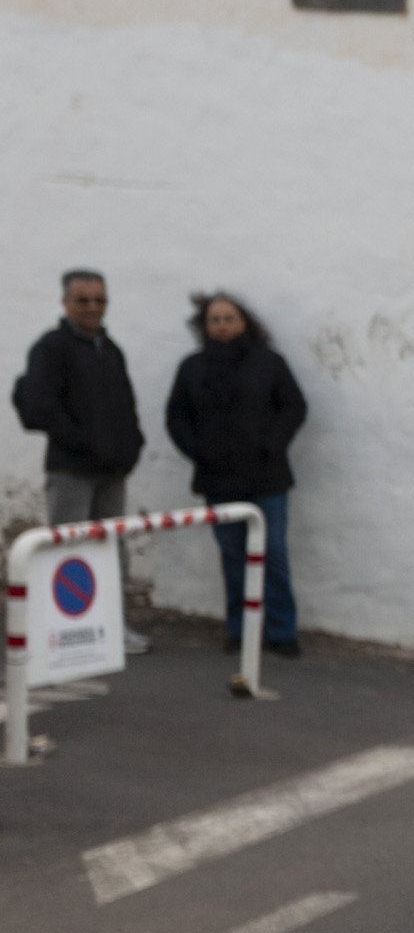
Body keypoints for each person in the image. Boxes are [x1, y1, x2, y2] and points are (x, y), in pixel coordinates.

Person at [13, 268, 148, 652]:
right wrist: (84, 442)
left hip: (112, 470)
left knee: (111, 550)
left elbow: (126, 405)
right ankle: (55, 634)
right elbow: (39, 407)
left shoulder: (111, 348)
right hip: (71, 469)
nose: (93, 307)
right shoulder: (51, 348)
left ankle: (112, 627)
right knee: (65, 550)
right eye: (83, 300)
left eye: (100, 300)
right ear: (65, 302)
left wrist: (132, 444)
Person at [165, 292, 307, 657]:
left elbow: (294, 406)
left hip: (267, 477)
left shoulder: (270, 363)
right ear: (205, 325)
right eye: (215, 319)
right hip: (218, 479)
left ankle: (282, 631)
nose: (222, 325)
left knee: (272, 552)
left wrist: (271, 444)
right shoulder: (192, 367)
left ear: (244, 322)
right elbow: (177, 417)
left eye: (229, 318)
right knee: (232, 555)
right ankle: (240, 630)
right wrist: (199, 451)